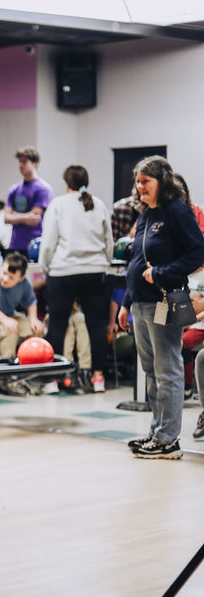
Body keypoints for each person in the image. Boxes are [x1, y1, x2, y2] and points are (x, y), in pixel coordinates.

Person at [119, 156, 204, 459]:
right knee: (150, 370)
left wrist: (161, 273)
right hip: (141, 301)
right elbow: (137, 259)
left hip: (168, 298)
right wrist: (126, 301)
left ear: (162, 182)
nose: (139, 186)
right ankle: (157, 432)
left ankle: (169, 440)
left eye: (146, 181)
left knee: (167, 368)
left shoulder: (177, 212)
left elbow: (197, 253)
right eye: (138, 181)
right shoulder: (145, 214)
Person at [38, 165, 113, 394]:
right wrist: (104, 262)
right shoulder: (98, 204)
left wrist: (46, 266)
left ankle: (52, 380)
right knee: (96, 325)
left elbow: (49, 241)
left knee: (58, 325)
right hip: (94, 271)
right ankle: (98, 378)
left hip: (63, 271)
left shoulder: (58, 204)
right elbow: (109, 240)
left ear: (66, 183)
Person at [0, 251, 45, 368]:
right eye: (4, 273)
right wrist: (5, 320)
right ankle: (7, 375)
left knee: (35, 330)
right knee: (10, 329)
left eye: (11, 277)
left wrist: (33, 319)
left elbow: (31, 301)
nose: (5, 278)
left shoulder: (25, 282)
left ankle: (33, 371)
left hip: (9, 315)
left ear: (21, 278)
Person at [4, 147, 53, 256]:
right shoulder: (14, 189)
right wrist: (26, 216)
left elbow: (34, 219)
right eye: (20, 162)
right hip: (15, 245)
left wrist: (16, 215)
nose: (21, 165)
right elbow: (6, 218)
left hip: (34, 245)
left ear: (34, 163)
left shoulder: (43, 188)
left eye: (25, 162)